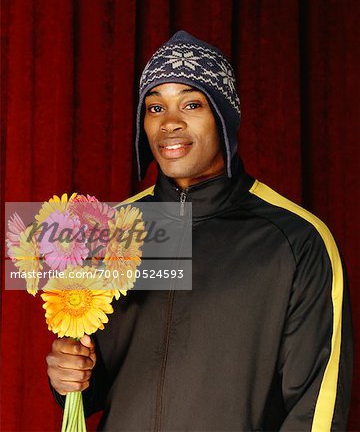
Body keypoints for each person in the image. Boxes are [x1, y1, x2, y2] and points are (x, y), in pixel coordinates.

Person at [47, 31, 353, 431]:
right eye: (154, 108)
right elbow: (92, 388)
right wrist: (67, 376)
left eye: (191, 104)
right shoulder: (107, 232)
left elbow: (316, 410)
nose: (170, 123)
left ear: (224, 117)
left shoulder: (296, 240)